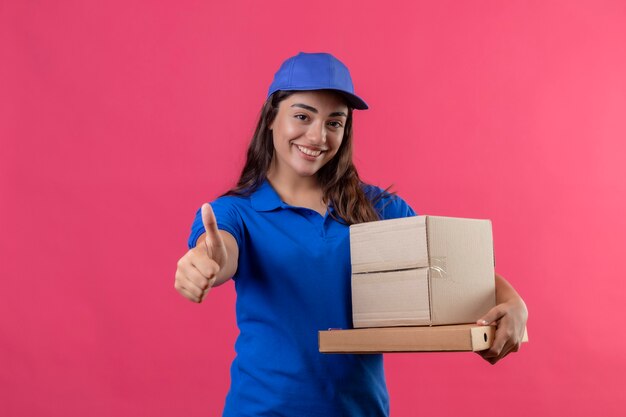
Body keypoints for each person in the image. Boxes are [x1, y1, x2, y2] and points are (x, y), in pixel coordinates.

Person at [174, 52, 528, 416]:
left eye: (334, 122)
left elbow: (449, 274)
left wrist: (514, 304)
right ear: (270, 118)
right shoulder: (236, 212)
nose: (317, 135)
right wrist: (206, 261)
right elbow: (220, 251)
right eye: (302, 116)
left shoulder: (379, 207)